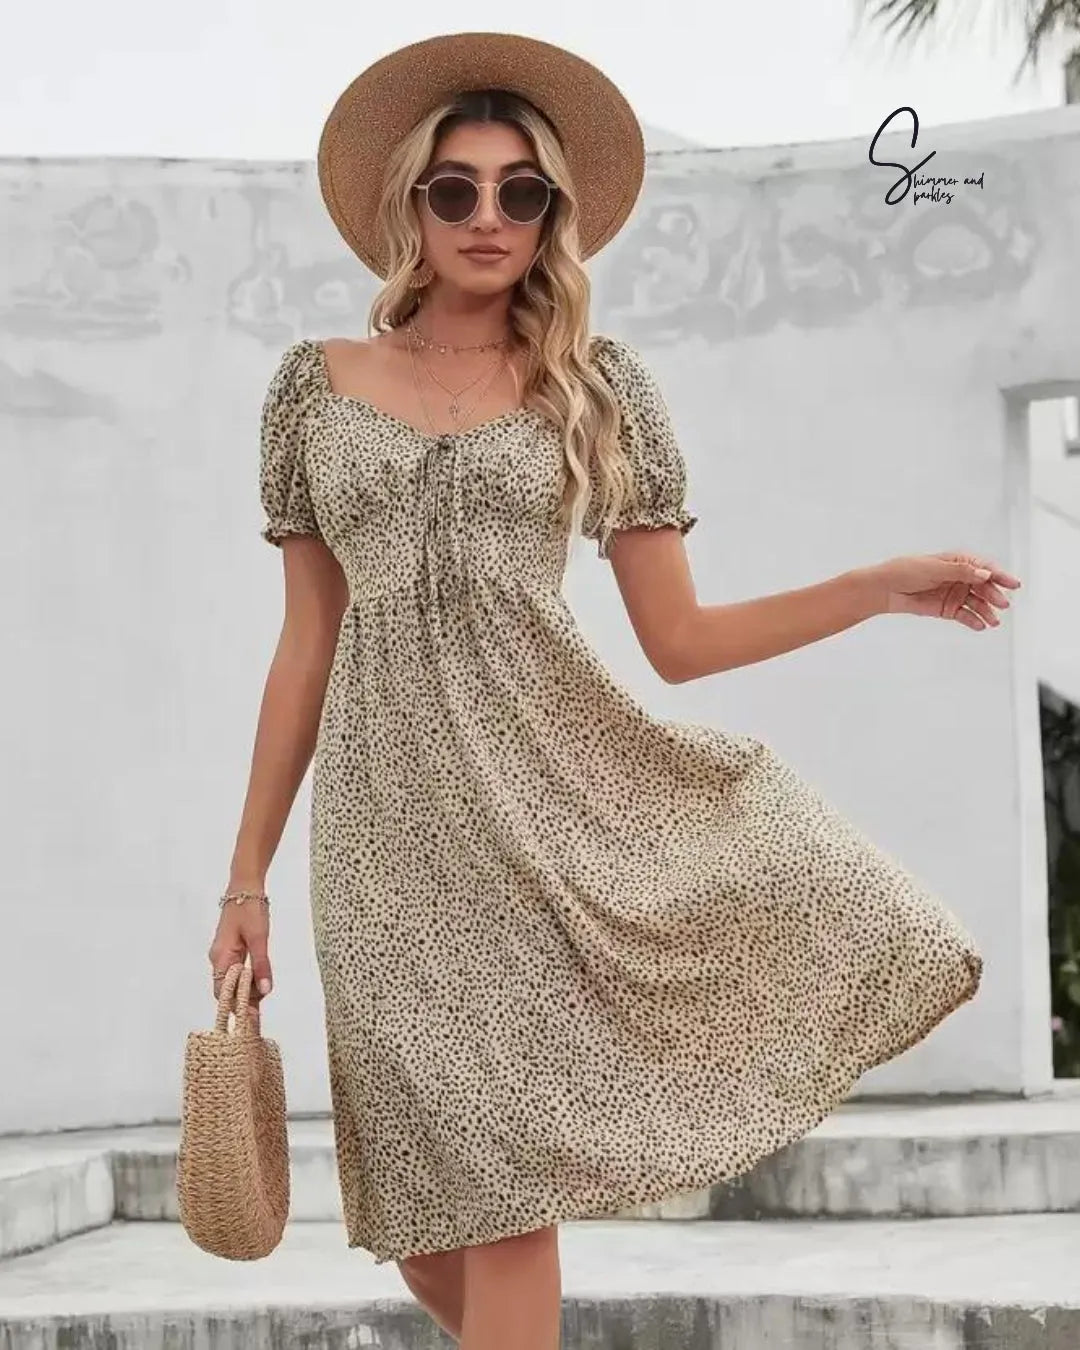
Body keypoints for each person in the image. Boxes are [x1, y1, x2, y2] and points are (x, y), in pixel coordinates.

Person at [208, 30, 1018, 1350]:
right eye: (455, 187)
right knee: (421, 1223)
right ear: (408, 202)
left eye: (521, 191)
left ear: (554, 216)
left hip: (544, 809)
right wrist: (245, 878)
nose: (488, 216)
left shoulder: (596, 386)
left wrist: (877, 583)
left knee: (508, 1189)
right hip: (381, 844)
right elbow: (306, 644)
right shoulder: (311, 390)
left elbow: (682, 639)